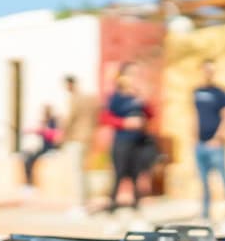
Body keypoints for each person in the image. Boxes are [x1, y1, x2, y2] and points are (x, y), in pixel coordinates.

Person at [101, 63, 155, 212]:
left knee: (137, 174)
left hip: (139, 140)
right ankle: (112, 205)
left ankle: (135, 206)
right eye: (131, 74)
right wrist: (125, 123)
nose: (134, 78)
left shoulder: (138, 97)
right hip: (122, 140)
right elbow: (105, 118)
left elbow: (151, 115)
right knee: (120, 174)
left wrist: (144, 101)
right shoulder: (116, 97)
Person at [194, 59, 225, 220]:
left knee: (224, 177)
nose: (208, 73)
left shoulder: (221, 93)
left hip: (215, 144)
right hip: (200, 144)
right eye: (206, 70)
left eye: (211, 70)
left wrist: (218, 138)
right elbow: (194, 116)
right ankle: (205, 215)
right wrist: (194, 138)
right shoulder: (196, 92)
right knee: (203, 182)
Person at [61, 75, 99, 211]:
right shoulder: (90, 99)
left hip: (76, 138)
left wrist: (61, 136)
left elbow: (69, 120)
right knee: (84, 171)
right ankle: (86, 201)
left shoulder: (74, 99)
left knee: (77, 171)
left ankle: (80, 204)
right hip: (88, 138)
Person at [23, 105, 61, 187]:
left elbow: (56, 136)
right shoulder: (45, 122)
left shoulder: (53, 122)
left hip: (50, 148)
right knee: (27, 158)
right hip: (43, 148)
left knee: (30, 160)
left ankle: (30, 184)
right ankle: (29, 183)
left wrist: (42, 131)